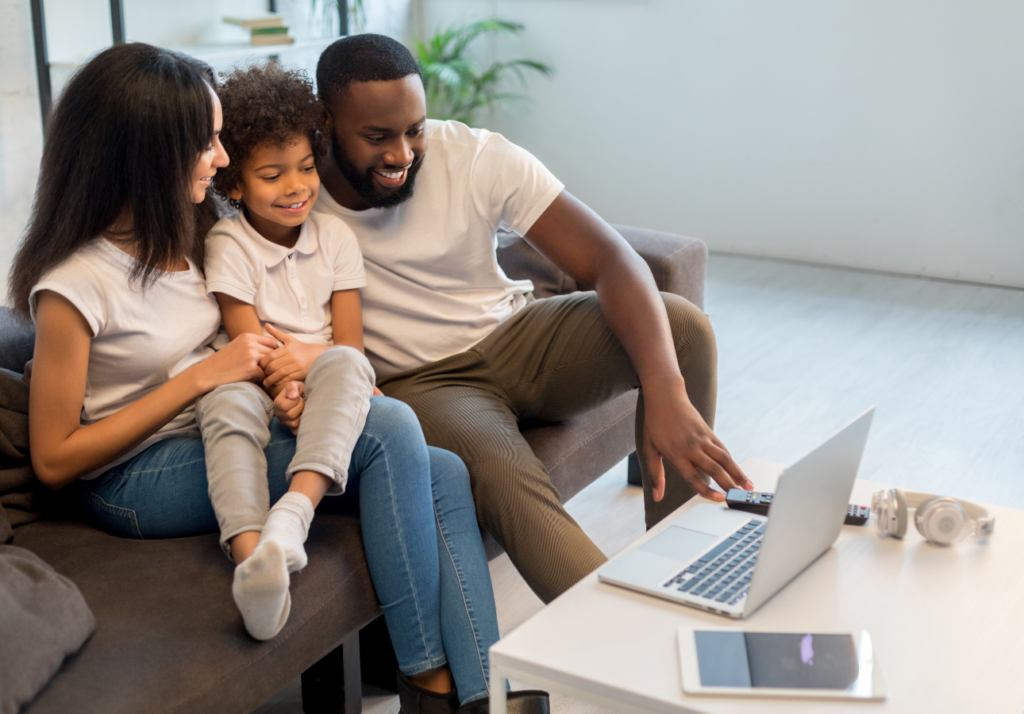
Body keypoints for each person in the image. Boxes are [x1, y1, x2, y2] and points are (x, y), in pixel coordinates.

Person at [8, 43, 544, 714]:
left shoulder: (193, 229)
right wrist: (203, 378)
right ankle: (431, 686)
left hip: (223, 424)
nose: (223, 157)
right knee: (389, 432)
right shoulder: (73, 286)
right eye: (206, 143)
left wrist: (285, 379)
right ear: (149, 152)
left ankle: (481, 693)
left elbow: (267, 300)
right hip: (131, 477)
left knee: (443, 472)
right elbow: (56, 461)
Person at [311, 34, 757, 604]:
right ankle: (623, 637)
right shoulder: (291, 195)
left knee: (684, 328)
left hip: (518, 338)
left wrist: (666, 390)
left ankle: (681, 572)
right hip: (425, 382)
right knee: (502, 469)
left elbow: (611, 258)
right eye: (377, 137)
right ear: (326, 120)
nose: (401, 154)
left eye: (414, 130)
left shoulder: (473, 156)